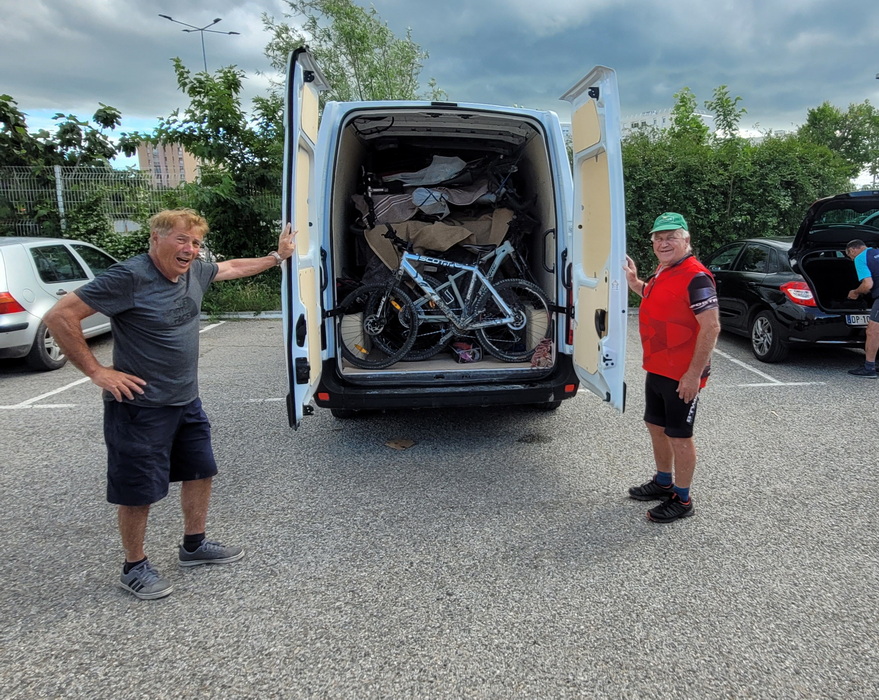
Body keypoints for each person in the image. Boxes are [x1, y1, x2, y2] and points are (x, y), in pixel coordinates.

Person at [44, 209, 296, 599]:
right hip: (140, 407)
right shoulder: (130, 276)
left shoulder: (193, 272)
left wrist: (277, 257)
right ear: (156, 238)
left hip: (185, 400)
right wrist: (97, 371)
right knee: (138, 490)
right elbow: (60, 315)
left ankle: (194, 545)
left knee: (200, 471)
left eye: (195, 243)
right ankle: (134, 567)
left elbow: (231, 267)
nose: (190, 249)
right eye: (181, 239)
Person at [622, 212, 720, 523]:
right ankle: (664, 482)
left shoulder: (697, 277)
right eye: (659, 238)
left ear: (686, 240)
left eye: (671, 237)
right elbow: (656, 297)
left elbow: (711, 327)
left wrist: (693, 374)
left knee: (679, 436)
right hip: (658, 366)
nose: (663, 243)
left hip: (681, 374)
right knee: (655, 425)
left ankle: (683, 498)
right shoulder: (664, 270)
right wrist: (634, 282)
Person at [844, 239, 879, 378]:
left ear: (853, 250)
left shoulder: (860, 258)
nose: (851, 259)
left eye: (850, 256)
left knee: (872, 331)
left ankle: (869, 368)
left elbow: (868, 284)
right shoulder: (877, 252)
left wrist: (855, 292)